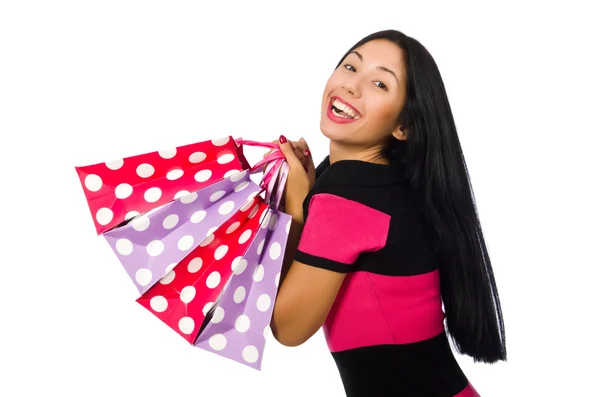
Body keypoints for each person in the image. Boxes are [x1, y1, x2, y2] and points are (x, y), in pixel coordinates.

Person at [268, 29, 506, 397]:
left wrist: (297, 211)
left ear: (403, 126)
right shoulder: (384, 181)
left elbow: (288, 328)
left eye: (380, 84)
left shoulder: (347, 197)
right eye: (350, 66)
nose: (352, 86)